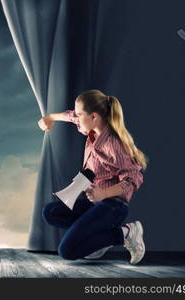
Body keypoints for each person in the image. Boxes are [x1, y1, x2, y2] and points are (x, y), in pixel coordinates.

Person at [38, 89, 148, 264]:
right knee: (50, 212)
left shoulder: (113, 144)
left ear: (94, 117)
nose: (76, 117)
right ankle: (97, 239)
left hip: (113, 206)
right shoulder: (91, 130)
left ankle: (126, 232)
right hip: (95, 204)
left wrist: (103, 194)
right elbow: (71, 116)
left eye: (80, 114)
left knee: (67, 250)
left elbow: (134, 178)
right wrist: (50, 117)